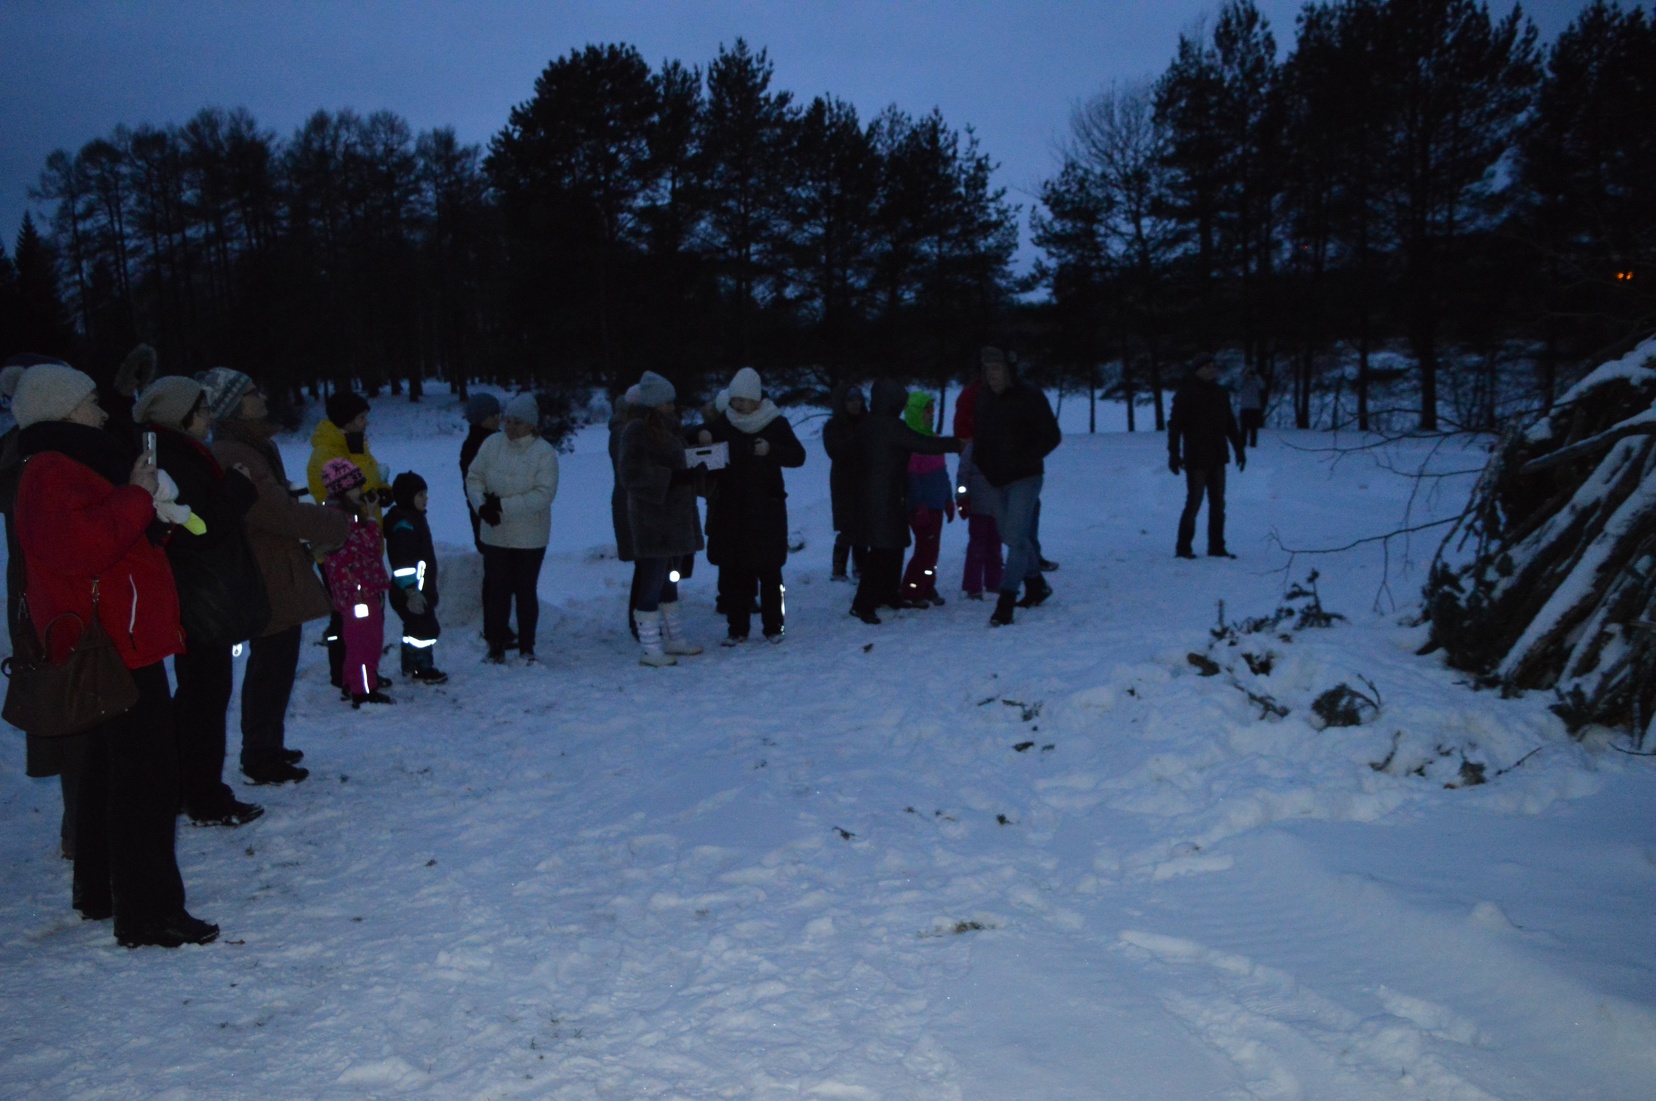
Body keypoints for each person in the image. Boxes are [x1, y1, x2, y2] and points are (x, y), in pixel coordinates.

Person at [11, 361, 217, 948]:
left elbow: (116, 539)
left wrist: (149, 509)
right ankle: (148, 913)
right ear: (63, 408)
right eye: (90, 402)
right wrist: (136, 495)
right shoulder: (51, 471)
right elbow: (84, 547)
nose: (102, 413)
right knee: (146, 781)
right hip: (112, 645)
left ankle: (102, 891)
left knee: (111, 772)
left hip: (117, 640)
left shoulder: (66, 463)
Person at [136, 376, 270, 827]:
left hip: (196, 591)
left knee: (200, 697)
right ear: (182, 414)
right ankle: (203, 796)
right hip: (198, 595)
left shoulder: (175, 453)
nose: (211, 417)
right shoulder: (175, 459)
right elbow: (200, 527)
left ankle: (185, 788)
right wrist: (238, 487)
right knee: (204, 699)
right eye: (203, 409)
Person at [209, 369, 348, 784]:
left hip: (272, 566)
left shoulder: (252, 446)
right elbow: (273, 512)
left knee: (278, 660)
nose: (262, 397)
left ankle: (267, 745)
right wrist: (334, 522)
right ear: (234, 404)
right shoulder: (236, 453)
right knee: (270, 663)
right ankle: (260, 755)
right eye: (252, 392)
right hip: (263, 572)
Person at [0, 356, 89, 859]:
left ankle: (84, 829)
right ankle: (82, 833)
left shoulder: (35, 457)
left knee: (81, 714)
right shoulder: (37, 464)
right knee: (76, 714)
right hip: (52, 609)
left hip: (48, 606)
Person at [700, 367, 807, 644]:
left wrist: (771, 450)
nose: (738, 405)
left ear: (756, 400)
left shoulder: (775, 423)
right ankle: (737, 629)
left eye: (743, 400)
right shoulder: (725, 422)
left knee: (770, 572)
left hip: (767, 510)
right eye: (734, 399)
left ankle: (774, 627)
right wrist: (704, 437)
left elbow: (798, 456)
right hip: (733, 509)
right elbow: (697, 434)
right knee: (737, 572)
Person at [846, 379, 962, 624]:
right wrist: (957, 444)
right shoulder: (890, 427)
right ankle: (862, 604)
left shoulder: (868, 425)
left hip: (885, 495)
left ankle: (889, 594)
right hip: (883, 498)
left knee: (894, 546)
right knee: (881, 551)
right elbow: (923, 443)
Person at [618, 370, 705, 666]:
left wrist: (693, 470)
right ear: (654, 404)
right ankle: (651, 647)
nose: (672, 407)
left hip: (676, 519)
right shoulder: (636, 430)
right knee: (652, 581)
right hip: (652, 521)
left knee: (671, 580)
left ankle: (674, 638)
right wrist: (673, 478)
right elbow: (630, 474)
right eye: (667, 402)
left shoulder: (671, 428)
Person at [466, 392, 559, 664]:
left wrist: (503, 506)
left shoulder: (543, 452)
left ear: (531, 424)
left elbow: (544, 494)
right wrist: (482, 506)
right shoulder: (491, 444)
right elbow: (474, 478)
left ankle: (527, 647)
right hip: (495, 533)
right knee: (498, 591)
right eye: (507, 420)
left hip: (530, 537)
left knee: (525, 591)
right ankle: (495, 646)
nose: (509, 426)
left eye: (517, 422)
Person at [972, 346, 1062, 627]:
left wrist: (1022, 460)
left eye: (997, 369)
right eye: (988, 370)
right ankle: (1036, 585)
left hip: (1025, 477)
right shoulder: (984, 397)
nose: (992, 375)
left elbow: (1052, 436)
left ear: (1009, 370)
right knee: (1012, 537)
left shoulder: (1030, 396)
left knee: (1016, 538)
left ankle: (1006, 602)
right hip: (995, 479)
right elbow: (980, 435)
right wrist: (981, 462)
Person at [319, 458, 393, 707]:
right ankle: (364, 692)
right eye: (355, 488)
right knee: (365, 642)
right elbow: (368, 544)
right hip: (358, 593)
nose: (360, 492)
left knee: (359, 641)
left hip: (358, 591)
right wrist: (371, 518)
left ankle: (353, 684)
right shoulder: (342, 520)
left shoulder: (340, 516)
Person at [1168, 353, 1246, 560]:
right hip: (1196, 458)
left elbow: (1230, 423)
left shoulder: (1220, 393)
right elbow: (1175, 427)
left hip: (1218, 456)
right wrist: (1174, 454)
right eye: (1207, 367)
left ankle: (1217, 546)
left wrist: (1239, 449)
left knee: (1218, 503)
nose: (1212, 370)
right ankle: (1183, 547)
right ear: (1197, 370)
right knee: (1194, 502)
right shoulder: (1186, 393)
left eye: (1213, 366)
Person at [383, 472, 447, 684]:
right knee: (424, 627)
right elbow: (402, 563)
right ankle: (422, 668)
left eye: (425, 494)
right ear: (407, 497)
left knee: (414, 626)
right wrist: (411, 591)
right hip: (411, 590)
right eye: (420, 495)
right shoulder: (404, 525)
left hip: (418, 588)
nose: (425, 498)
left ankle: (410, 663)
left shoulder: (414, 518)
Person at [900, 391, 955, 605]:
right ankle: (912, 590)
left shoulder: (935, 441)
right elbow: (911, 478)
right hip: (921, 509)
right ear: (915, 413)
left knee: (933, 551)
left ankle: (927, 586)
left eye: (932, 410)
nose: (931, 414)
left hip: (936, 506)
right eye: (926, 410)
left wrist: (948, 499)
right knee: (925, 550)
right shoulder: (912, 444)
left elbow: (943, 475)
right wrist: (918, 504)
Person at [951, 379, 1003, 601]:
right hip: (978, 508)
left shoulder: (1001, 448)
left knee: (995, 547)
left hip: (997, 508)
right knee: (977, 547)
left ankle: (994, 581)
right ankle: (973, 585)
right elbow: (962, 477)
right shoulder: (971, 449)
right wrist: (963, 498)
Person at [822, 383, 867, 582]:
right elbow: (836, 451)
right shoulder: (834, 426)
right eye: (850, 400)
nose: (855, 404)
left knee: (864, 528)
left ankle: (860, 568)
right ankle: (838, 570)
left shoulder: (868, 423)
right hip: (844, 484)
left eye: (858, 399)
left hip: (865, 482)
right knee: (847, 528)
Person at [459, 392, 501, 553]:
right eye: (494, 415)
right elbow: (473, 487)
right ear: (481, 418)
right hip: (490, 520)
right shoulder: (475, 447)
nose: (498, 418)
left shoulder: (501, 440)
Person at [1238, 367, 1266, 448]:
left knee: (1253, 428)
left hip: (1255, 408)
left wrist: (1256, 375)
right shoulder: (1243, 381)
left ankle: (1253, 444)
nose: (1249, 375)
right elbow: (1237, 386)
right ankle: (1242, 443)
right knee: (1243, 427)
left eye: (1250, 373)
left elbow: (1262, 386)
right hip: (1245, 407)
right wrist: (1243, 375)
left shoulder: (1256, 381)